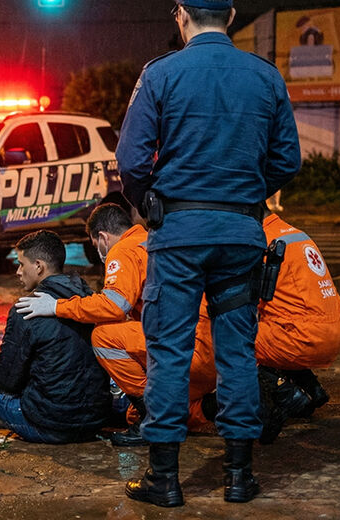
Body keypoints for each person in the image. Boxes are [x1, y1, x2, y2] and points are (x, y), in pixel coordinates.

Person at [115, 0, 301, 507]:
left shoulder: (161, 74)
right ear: (233, 15)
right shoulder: (264, 76)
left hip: (177, 235)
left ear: (180, 15)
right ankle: (238, 477)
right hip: (241, 234)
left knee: (170, 350)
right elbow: (288, 158)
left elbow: (130, 160)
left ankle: (165, 479)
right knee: (237, 351)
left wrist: (149, 199)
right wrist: (243, 194)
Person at [15, 203, 218, 446]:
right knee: (133, 415)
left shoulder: (123, 249)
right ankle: (210, 407)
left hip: (188, 348)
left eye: (95, 245)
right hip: (210, 353)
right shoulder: (151, 241)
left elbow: (113, 305)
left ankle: (154, 417)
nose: (99, 252)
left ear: (102, 237)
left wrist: (57, 307)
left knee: (104, 337)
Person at [0, 230, 114, 444]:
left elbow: (6, 384)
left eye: (21, 264)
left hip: (48, 425)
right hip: (94, 420)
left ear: (38, 266)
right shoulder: (89, 300)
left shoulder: (27, 309)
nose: (17, 272)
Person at [255, 206, 340, 443]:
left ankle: (286, 393)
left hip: (303, 339)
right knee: (277, 318)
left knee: (228, 334)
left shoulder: (259, 241)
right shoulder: (295, 234)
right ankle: (311, 388)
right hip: (335, 332)